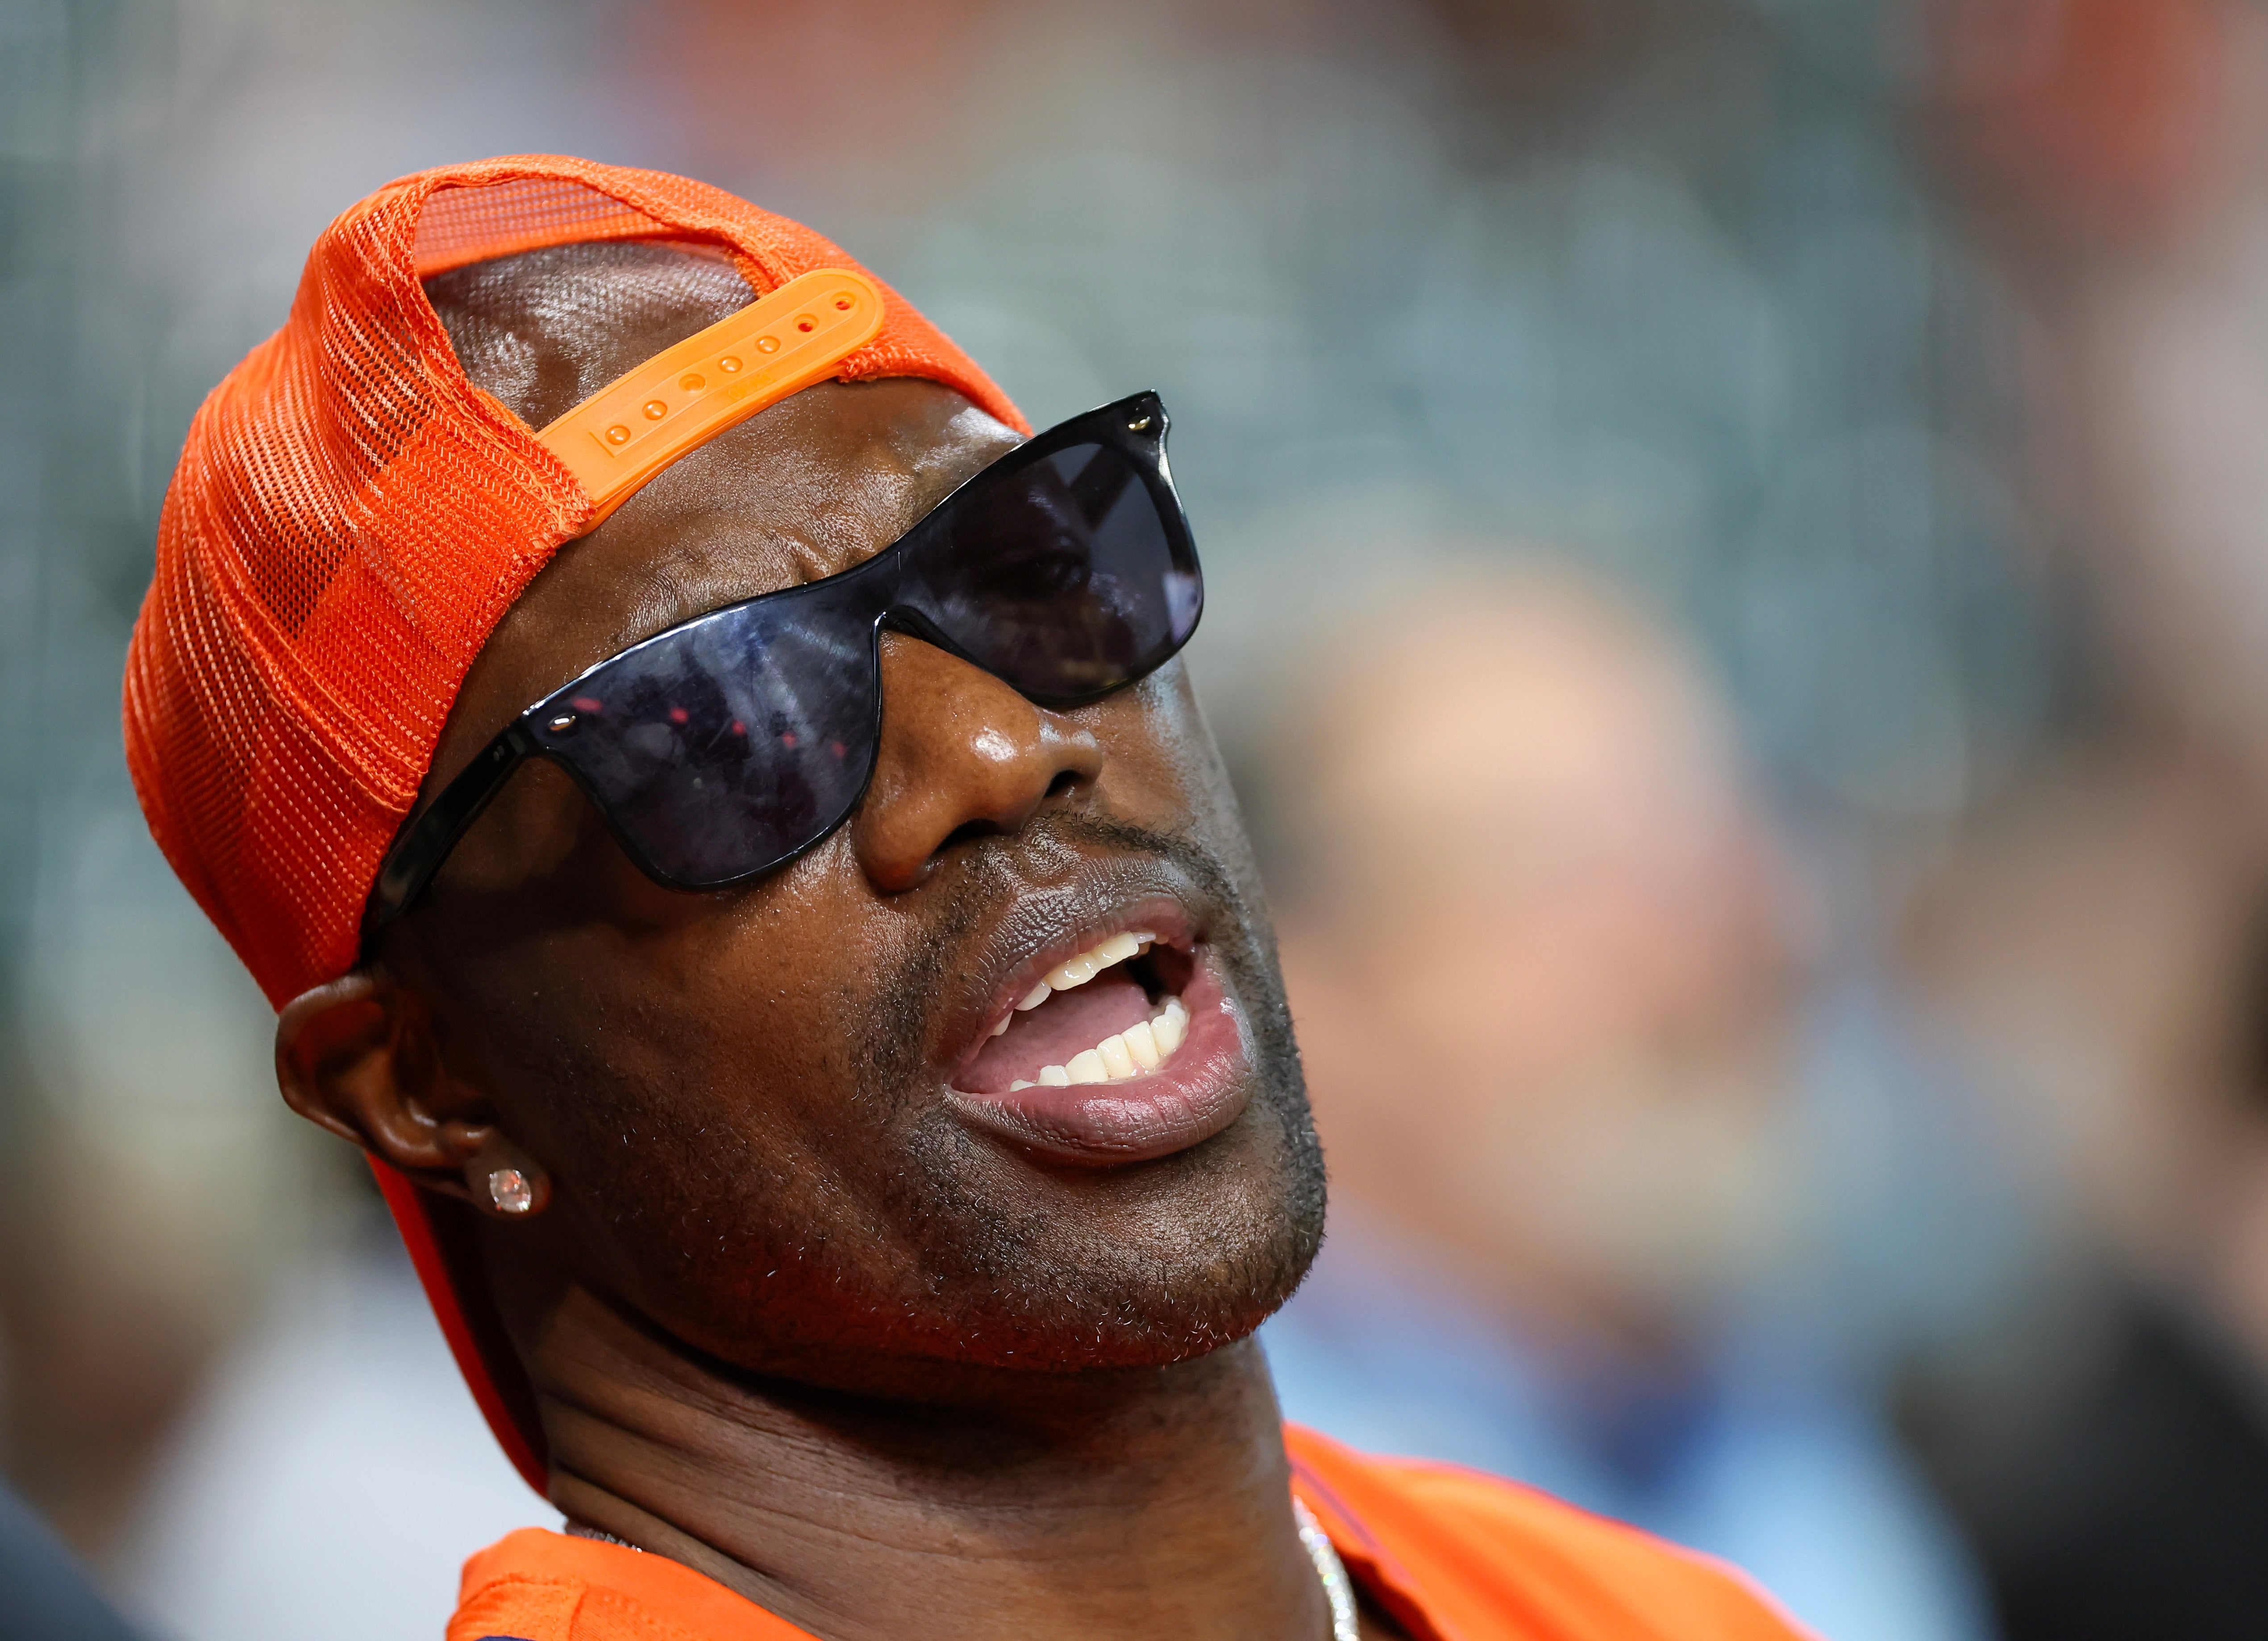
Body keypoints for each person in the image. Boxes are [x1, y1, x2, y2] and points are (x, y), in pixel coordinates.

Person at [121, 155, 1809, 1640]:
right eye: (724, 721)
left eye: (1025, 565)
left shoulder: (1648, 1605)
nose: (1003, 745)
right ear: (423, 1077)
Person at [1256, 573, 1992, 1641]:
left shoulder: (1785, 1423)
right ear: (1304, 986)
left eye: (1715, 839)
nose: (1704, 937)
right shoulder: (1252, 1523)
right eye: (1561, 872)